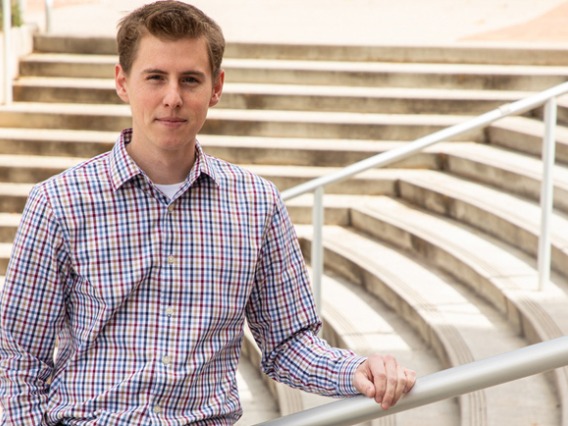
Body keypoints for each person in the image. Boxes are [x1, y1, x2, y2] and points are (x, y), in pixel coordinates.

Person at [0, 1, 416, 424]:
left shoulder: (256, 204)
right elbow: (17, 358)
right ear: (123, 82)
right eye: (156, 78)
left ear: (216, 87)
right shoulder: (59, 202)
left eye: (190, 80)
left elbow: (290, 344)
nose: (173, 98)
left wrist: (356, 370)